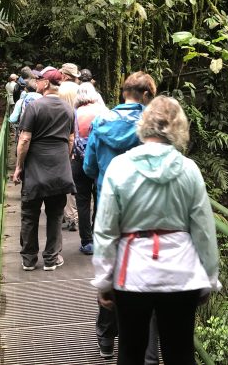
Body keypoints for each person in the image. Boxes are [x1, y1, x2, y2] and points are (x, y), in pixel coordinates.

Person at [92, 96, 220, 365]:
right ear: (179, 128)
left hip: (132, 274)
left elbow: (105, 230)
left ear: (144, 125)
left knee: (130, 352)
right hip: (182, 274)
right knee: (181, 353)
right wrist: (209, 278)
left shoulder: (120, 167)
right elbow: (204, 231)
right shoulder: (189, 170)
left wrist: (104, 280)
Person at [83, 71, 157, 360]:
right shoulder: (151, 126)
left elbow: (89, 167)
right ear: (147, 96)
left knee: (110, 270)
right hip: (144, 210)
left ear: (122, 92)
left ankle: (105, 339)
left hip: (107, 207)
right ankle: (147, 353)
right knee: (147, 276)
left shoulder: (102, 121)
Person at [12, 68, 75, 271]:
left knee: (30, 213)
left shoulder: (34, 107)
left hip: (35, 170)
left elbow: (25, 139)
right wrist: (63, 160)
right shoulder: (68, 109)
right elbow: (71, 140)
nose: (36, 82)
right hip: (59, 169)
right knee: (55, 214)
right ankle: (51, 258)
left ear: (46, 83)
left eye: (39, 79)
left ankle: (29, 259)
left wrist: (19, 166)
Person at [73, 82, 108, 255]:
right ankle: (97, 235)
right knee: (99, 198)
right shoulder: (104, 112)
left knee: (83, 200)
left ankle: (86, 241)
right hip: (100, 159)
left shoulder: (75, 113)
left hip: (80, 160)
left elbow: (70, 139)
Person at [58, 81, 80, 232]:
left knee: (67, 184)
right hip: (81, 153)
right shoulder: (82, 112)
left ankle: (70, 216)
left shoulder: (62, 112)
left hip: (67, 152)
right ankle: (73, 216)